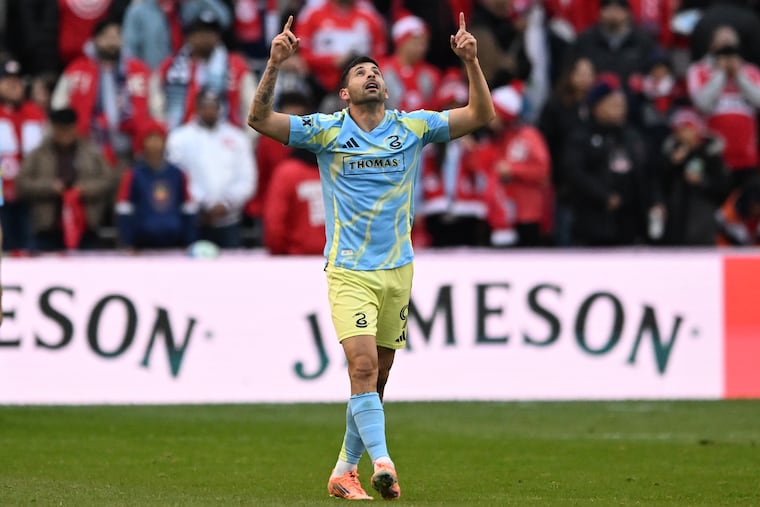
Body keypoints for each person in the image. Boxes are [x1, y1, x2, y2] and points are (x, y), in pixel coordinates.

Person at [247, 12, 494, 500]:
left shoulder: (413, 127)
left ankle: (344, 470)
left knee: (375, 380)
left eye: (376, 70)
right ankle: (383, 462)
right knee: (361, 369)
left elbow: (480, 115)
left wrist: (472, 62)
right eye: (360, 72)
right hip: (350, 272)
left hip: (398, 270)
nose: (372, 74)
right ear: (344, 94)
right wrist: (274, 64)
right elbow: (258, 119)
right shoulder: (325, 131)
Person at [562, 73, 651, 246]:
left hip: (630, 224)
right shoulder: (582, 137)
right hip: (593, 224)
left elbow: (646, 171)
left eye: (621, 104)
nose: (619, 109)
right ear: (597, 106)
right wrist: (604, 196)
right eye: (613, 104)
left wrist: (653, 201)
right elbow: (574, 172)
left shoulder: (632, 136)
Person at [51, 17, 152, 167]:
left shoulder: (139, 71)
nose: (112, 42)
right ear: (95, 40)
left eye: (116, 36)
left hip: (130, 151)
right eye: (106, 37)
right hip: (87, 150)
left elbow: (156, 108)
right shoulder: (77, 69)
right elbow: (58, 105)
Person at [167, 89, 255, 249]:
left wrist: (227, 203)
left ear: (220, 108)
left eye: (214, 106)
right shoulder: (179, 138)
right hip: (195, 219)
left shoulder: (237, 138)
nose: (209, 110)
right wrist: (204, 203)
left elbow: (247, 178)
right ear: (197, 107)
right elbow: (178, 176)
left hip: (230, 219)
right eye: (205, 106)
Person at [16, 108, 114, 251]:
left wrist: (84, 189)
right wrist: (50, 187)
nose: (65, 134)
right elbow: (21, 184)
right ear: (53, 129)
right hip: (48, 229)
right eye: (61, 129)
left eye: (69, 129)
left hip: (86, 228)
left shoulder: (91, 152)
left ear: (76, 128)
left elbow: (109, 181)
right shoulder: (38, 154)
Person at [687, 25, 760, 188]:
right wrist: (720, 74)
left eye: (730, 46)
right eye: (722, 45)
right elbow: (702, 104)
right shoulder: (698, 70)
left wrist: (739, 76)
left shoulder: (751, 71)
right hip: (713, 154)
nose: (726, 51)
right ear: (712, 46)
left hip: (746, 155)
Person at [480, 83, 552, 247]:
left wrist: (512, 169)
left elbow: (542, 170)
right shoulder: (494, 139)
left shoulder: (527, 136)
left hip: (527, 214)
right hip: (501, 215)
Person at [115, 120, 198, 250]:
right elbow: (124, 209)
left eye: (158, 138)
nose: (154, 143)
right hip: (142, 244)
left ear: (165, 142)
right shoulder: (133, 175)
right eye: (150, 138)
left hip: (174, 242)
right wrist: (128, 242)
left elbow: (188, 208)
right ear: (143, 142)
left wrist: (189, 241)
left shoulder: (178, 174)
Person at [659, 108, 730, 245]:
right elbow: (659, 186)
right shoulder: (668, 156)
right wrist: (671, 164)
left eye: (688, 129)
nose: (684, 135)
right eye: (680, 131)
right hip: (674, 229)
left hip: (703, 228)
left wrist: (701, 181)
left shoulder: (710, 156)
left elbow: (723, 189)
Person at [0, 58, 47, 253]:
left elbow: (46, 153)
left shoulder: (35, 113)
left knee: (30, 248)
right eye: (7, 80)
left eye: (17, 81)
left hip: (31, 195)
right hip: (1, 196)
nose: (14, 85)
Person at [263, 148, 326, 255]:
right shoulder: (341, 171)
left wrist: (280, 253)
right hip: (337, 260)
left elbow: (274, 224)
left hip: (295, 258)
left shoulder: (287, 173)